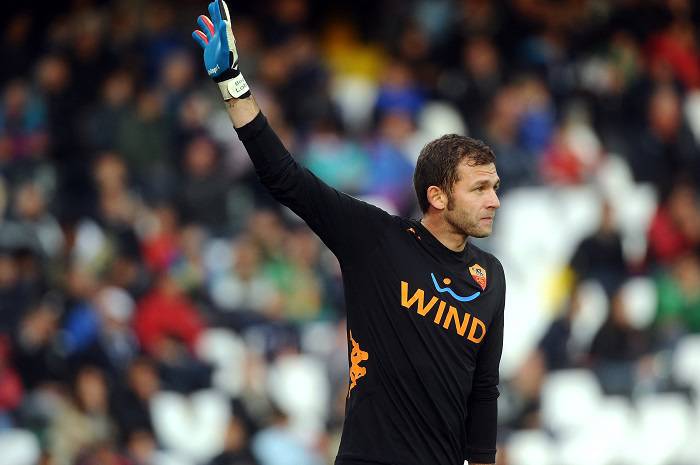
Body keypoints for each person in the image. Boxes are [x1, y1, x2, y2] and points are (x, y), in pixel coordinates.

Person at [192, 2, 505, 464]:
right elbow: (286, 178)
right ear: (438, 196)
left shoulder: (490, 275)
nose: (494, 200)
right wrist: (232, 83)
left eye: (495, 187)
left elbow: (483, 389)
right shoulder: (377, 240)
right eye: (480, 188)